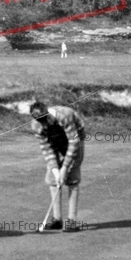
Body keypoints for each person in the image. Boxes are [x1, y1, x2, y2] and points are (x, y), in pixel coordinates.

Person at [30, 99, 85, 232]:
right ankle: (57, 220)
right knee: (53, 179)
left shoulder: (64, 116)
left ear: (48, 112)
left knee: (72, 178)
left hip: (75, 138)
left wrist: (65, 168)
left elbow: (74, 142)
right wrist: (56, 171)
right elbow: (47, 149)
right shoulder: (37, 126)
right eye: (41, 122)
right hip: (54, 140)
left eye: (46, 119)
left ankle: (72, 220)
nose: (45, 124)